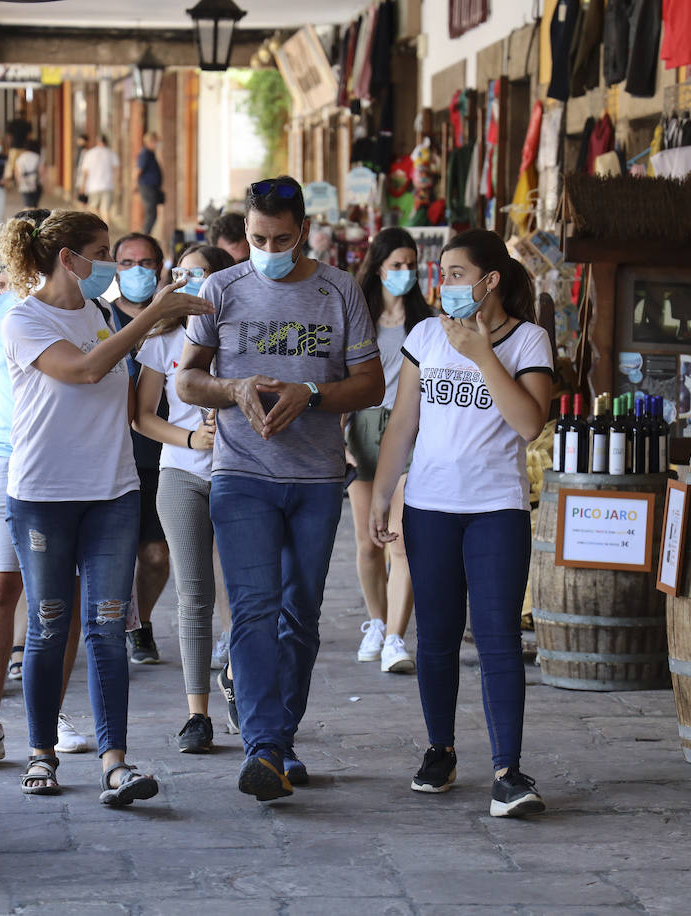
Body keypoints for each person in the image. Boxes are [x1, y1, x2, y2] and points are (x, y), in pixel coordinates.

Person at [177, 176, 384, 802]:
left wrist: (313, 393)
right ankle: (263, 747)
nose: (269, 248)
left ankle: (282, 737)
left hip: (317, 480)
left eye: (282, 238)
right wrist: (231, 389)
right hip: (240, 476)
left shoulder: (338, 290)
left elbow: (371, 384)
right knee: (254, 609)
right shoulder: (222, 288)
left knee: (301, 615)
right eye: (258, 238)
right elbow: (186, 381)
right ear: (244, 232)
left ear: (304, 233)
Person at [0, 209, 212, 803]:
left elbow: (125, 389)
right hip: (43, 495)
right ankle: (40, 753)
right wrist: (151, 319)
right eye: (102, 253)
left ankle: (114, 759)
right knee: (48, 624)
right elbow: (86, 370)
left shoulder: (95, 315)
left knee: (109, 626)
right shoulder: (24, 321)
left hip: (112, 491)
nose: (111, 266)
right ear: (69, 259)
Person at [368, 228, 552, 818]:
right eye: (440, 273)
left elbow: (529, 424)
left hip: (496, 509)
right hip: (429, 506)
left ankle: (508, 771)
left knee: (498, 637)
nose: (440, 285)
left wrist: (480, 355)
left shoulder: (529, 341)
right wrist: (381, 493)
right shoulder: (424, 336)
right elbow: (401, 425)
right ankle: (439, 750)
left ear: (489, 280)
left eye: (453, 274)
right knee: (437, 638)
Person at [0, 212, 91, 763]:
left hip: (68, 465)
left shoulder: (85, 312)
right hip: (4, 462)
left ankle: (51, 713)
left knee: (64, 596)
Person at [134, 243, 236, 753]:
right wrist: (192, 439)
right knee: (193, 593)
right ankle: (197, 714)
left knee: (243, 593)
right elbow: (142, 415)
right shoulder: (162, 339)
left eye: (203, 274)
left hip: (241, 474)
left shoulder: (243, 334)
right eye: (185, 273)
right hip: (181, 475)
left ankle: (240, 684)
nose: (193, 282)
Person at [348, 228, 434, 675]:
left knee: (399, 539)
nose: (405, 272)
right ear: (378, 264)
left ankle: (397, 638)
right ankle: (377, 624)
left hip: (409, 430)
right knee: (367, 542)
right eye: (396, 264)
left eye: (410, 264)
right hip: (361, 426)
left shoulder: (427, 320)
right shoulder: (356, 312)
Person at [109, 233, 171, 665]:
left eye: (146, 263)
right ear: (114, 269)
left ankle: (142, 623)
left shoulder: (173, 320)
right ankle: (111, 629)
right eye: (127, 263)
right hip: (106, 454)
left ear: (161, 268)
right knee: (111, 556)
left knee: (153, 553)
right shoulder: (96, 316)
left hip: (158, 452)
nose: (137, 271)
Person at [78, 135, 120, 220]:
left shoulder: (90, 153)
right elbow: (117, 169)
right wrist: (117, 183)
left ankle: (96, 227)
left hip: (93, 186)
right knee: (106, 210)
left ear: (97, 142)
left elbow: (85, 172)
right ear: (106, 142)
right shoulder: (111, 153)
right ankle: (106, 229)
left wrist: (83, 186)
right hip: (107, 185)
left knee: (93, 209)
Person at [134, 132, 163, 235]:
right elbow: (138, 170)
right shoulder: (145, 154)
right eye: (155, 142)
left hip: (152, 187)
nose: (157, 144)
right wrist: (135, 185)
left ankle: (146, 235)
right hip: (147, 187)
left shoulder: (150, 154)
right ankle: (145, 236)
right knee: (151, 214)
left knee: (152, 214)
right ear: (150, 142)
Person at [15, 139, 43, 209]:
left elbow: (17, 172)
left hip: (24, 184)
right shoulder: (37, 157)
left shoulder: (20, 157)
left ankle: (27, 218)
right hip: (35, 184)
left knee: (27, 205)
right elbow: (41, 171)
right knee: (34, 206)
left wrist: (18, 182)